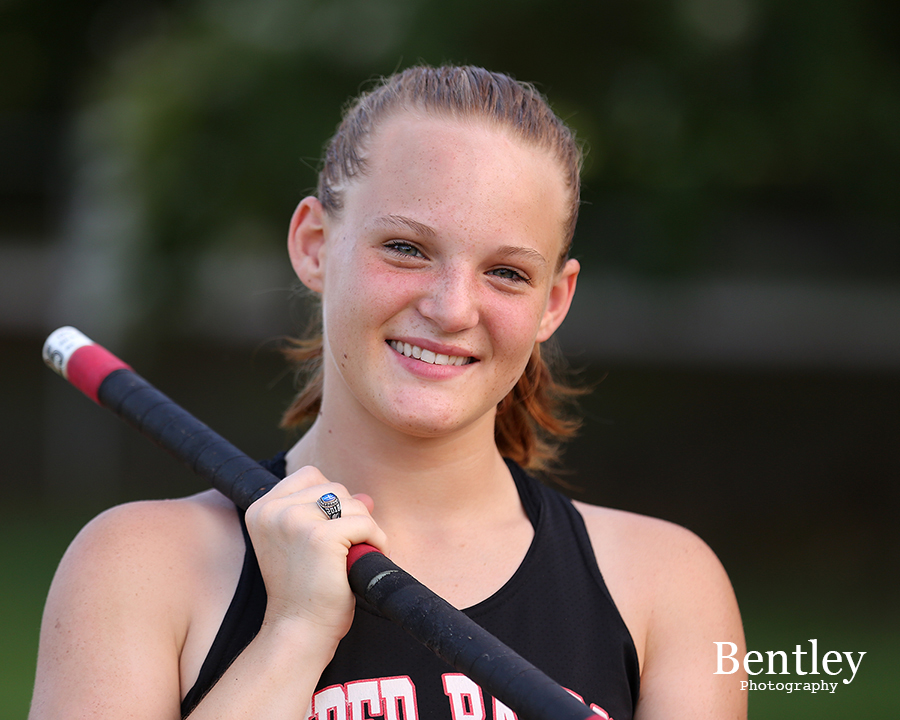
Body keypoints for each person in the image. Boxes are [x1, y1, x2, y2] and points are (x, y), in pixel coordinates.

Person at [29, 65, 746, 719]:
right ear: (314, 244)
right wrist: (294, 632)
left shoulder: (665, 586)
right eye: (406, 248)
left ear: (554, 301)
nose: (452, 307)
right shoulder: (139, 566)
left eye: (506, 273)